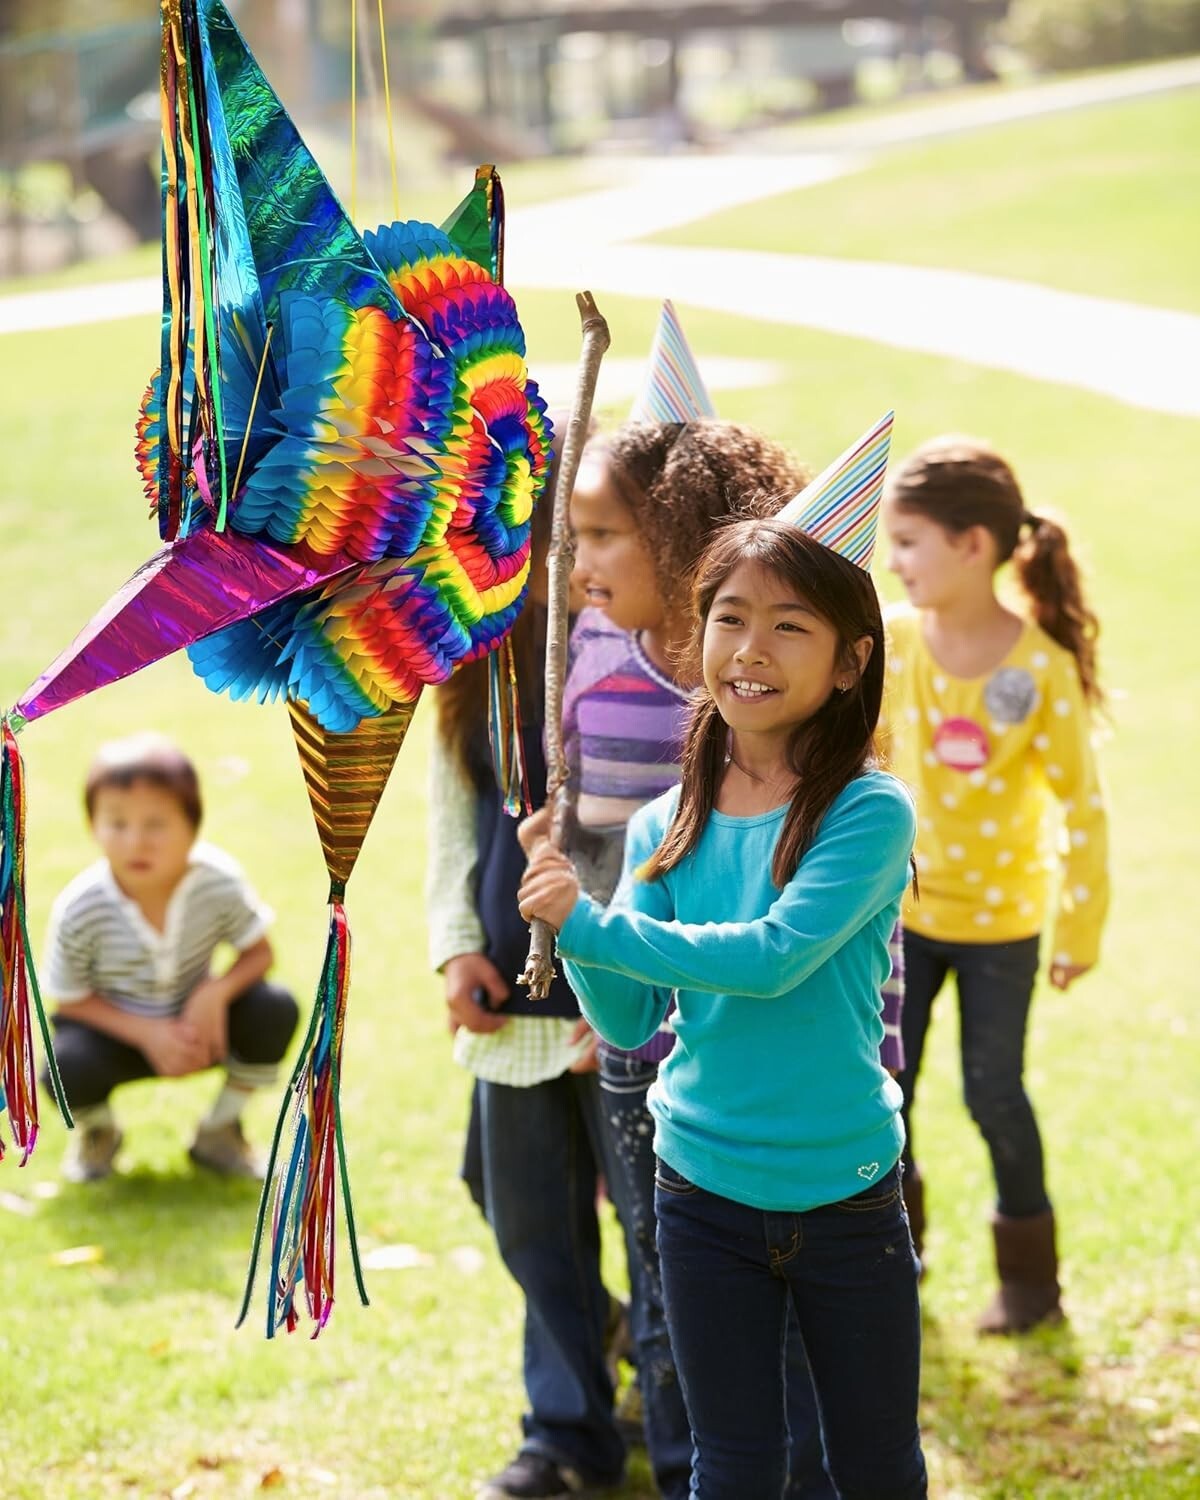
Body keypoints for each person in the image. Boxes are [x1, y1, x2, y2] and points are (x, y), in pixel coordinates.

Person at [520, 504, 928, 1500]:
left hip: (844, 1191)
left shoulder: (867, 813)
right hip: (700, 1192)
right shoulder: (673, 816)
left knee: (874, 1464)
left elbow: (773, 958)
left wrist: (592, 924)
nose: (752, 649)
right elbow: (625, 1020)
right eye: (730, 617)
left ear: (847, 661)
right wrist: (568, 924)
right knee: (734, 1463)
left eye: (790, 625)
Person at [425, 449, 627, 1500]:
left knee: (652, 1225)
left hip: (619, 1010)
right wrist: (457, 940)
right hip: (513, 1002)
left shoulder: (643, 658)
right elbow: (456, 814)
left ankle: (679, 1429)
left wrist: (641, 1002)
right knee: (528, 1221)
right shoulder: (479, 657)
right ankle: (567, 1435)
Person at [881, 435, 1109, 1334]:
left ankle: (1029, 1282)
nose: (892, 563)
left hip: (1002, 930)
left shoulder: (1040, 669)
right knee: (887, 1088)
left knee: (993, 1094)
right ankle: (893, 1251)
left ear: (972, 545)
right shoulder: (894, 645)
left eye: (907, 543)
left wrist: (1077, 936)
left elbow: (1084, 811)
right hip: (898, 917)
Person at [43, 733, 298, 1183]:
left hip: (201, 1028)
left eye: (156, 824)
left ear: (192, 826)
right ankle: (99, 1132)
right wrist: (147, 1033)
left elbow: (259, 953)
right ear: (93, 826)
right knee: (60, 1066)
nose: (136, 842)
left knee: (274, 1008)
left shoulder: (217, 880)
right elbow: (69, 1000)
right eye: (116, 823)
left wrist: (215, 993)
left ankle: (220, 1130)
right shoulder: (80, 907)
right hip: (119, 1034)